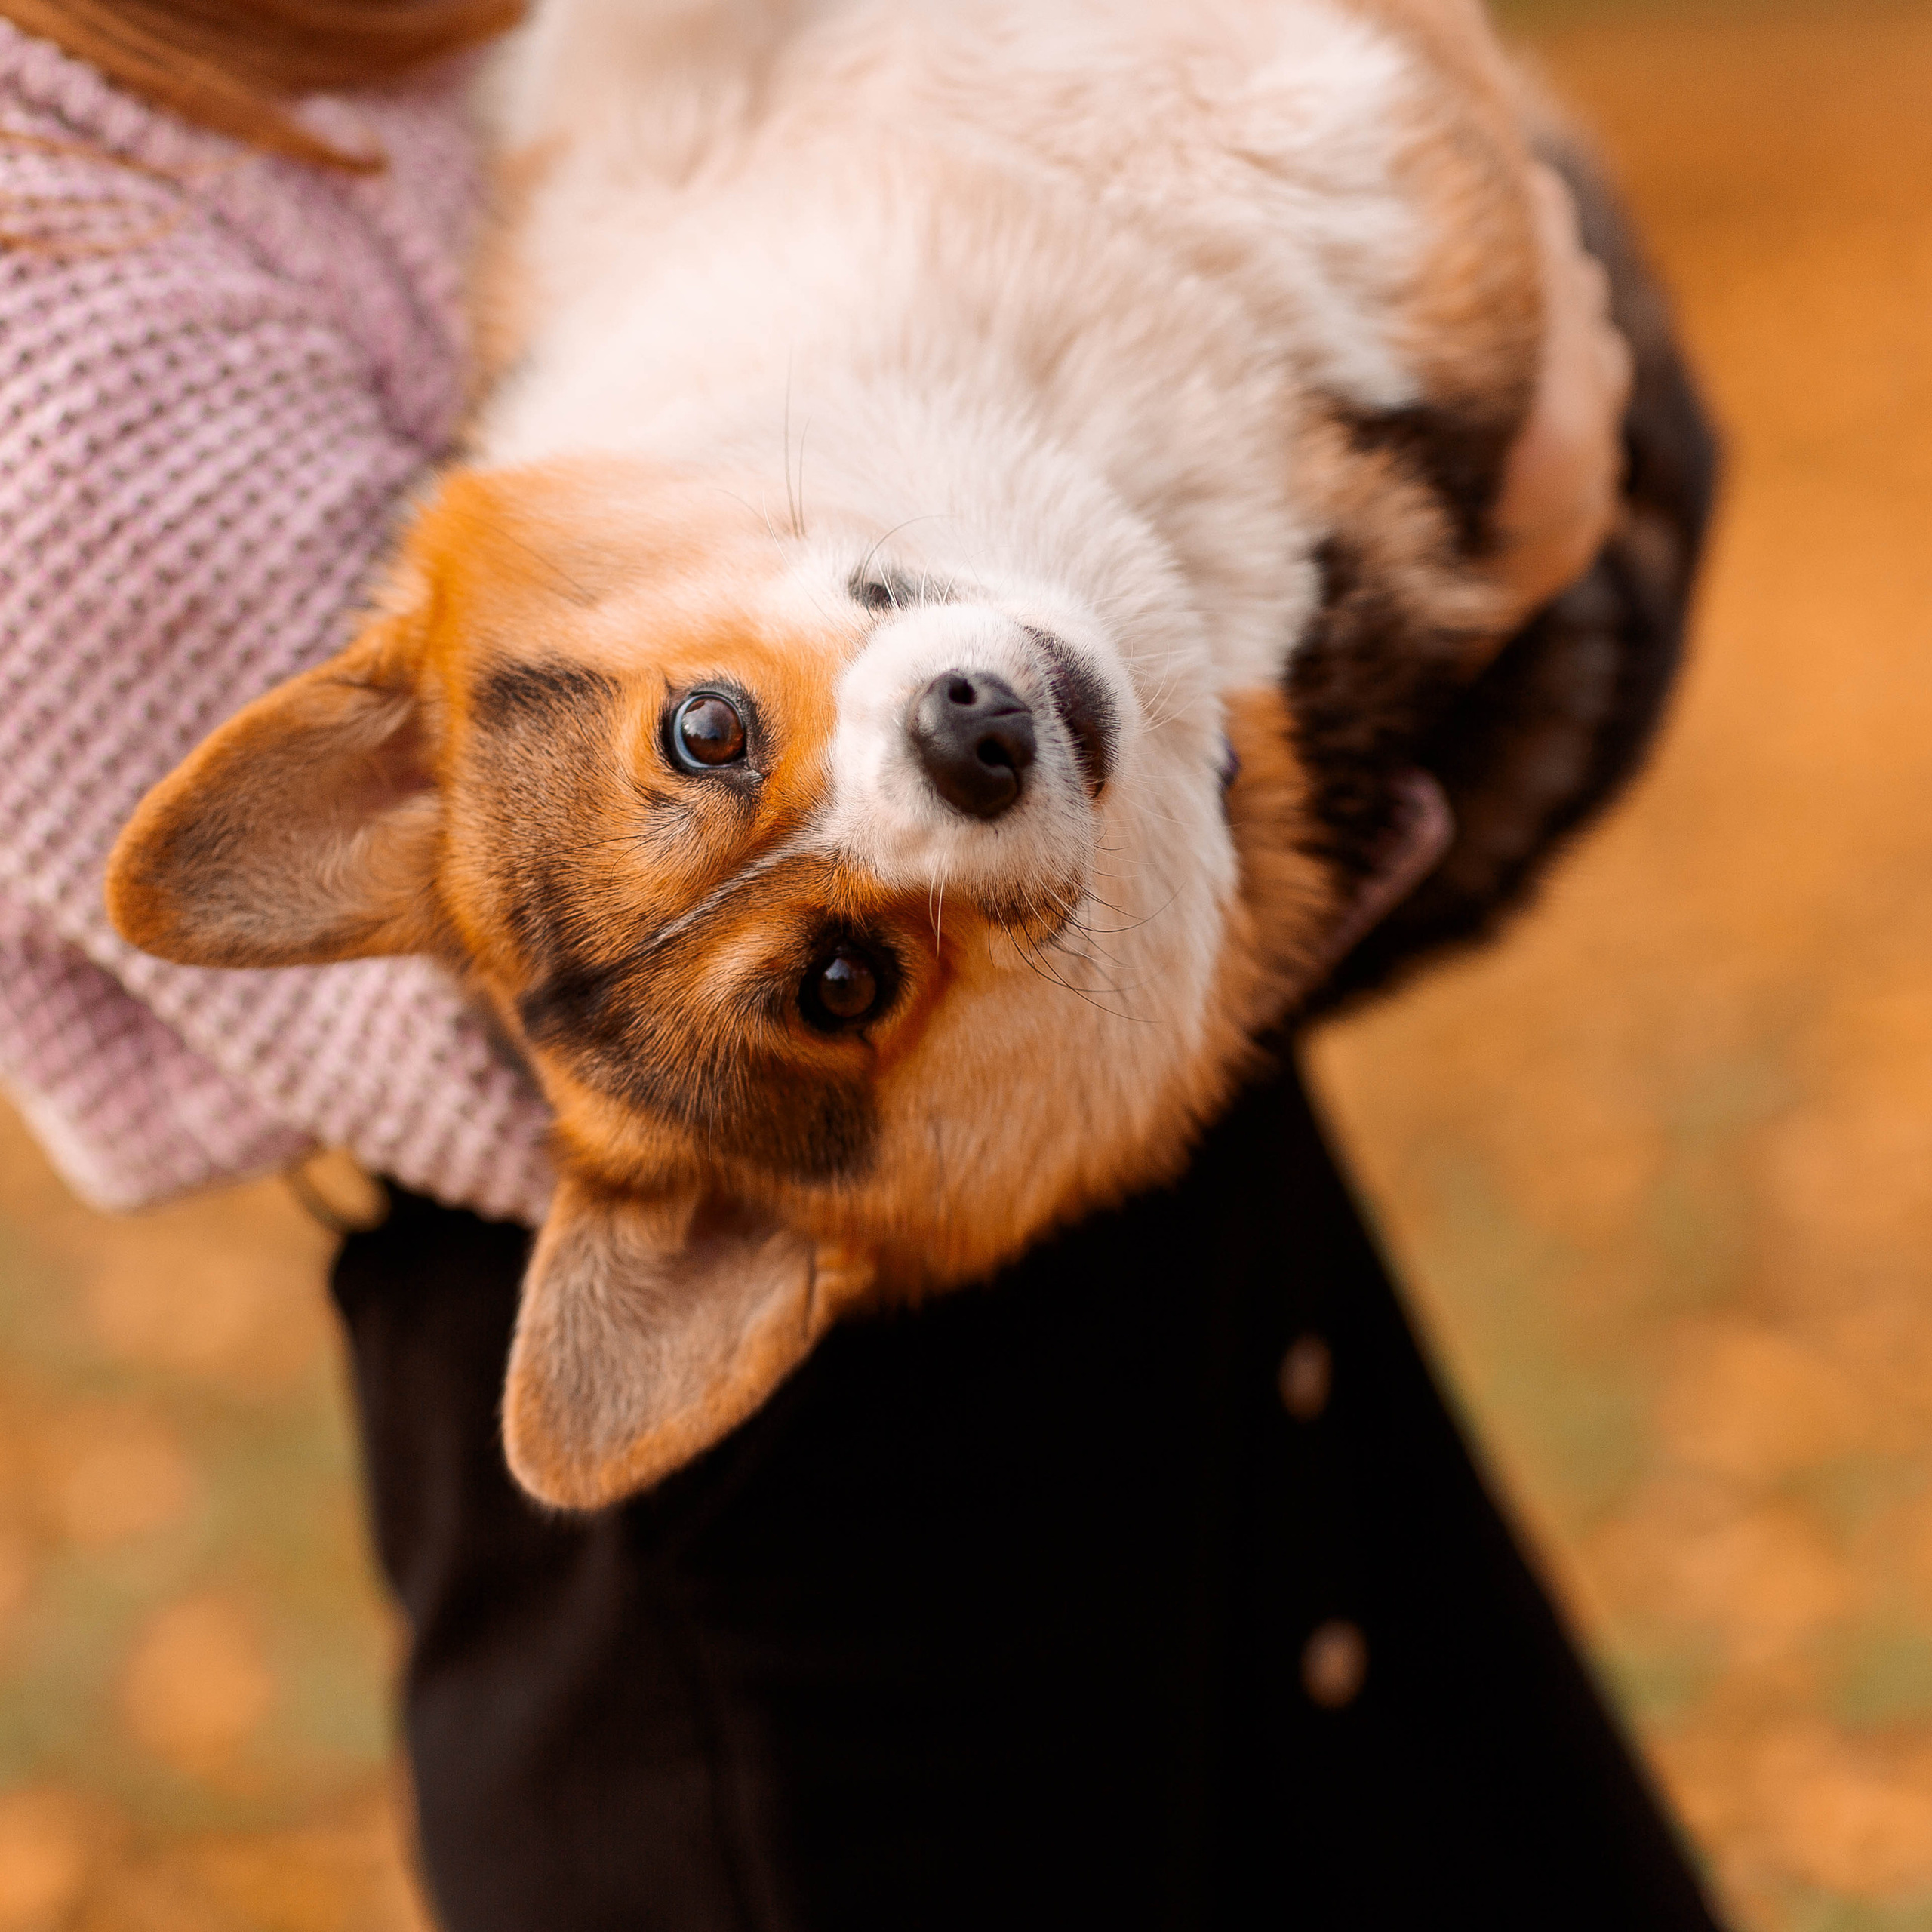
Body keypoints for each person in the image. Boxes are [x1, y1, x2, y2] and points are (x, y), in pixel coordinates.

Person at [0, 3, 1721, 1926]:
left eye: (718, 742)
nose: (931, 789)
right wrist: (1523, 526)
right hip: (794, 1572)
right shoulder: (54, 354)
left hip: (1146, 1277)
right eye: (829, 973)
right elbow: (493, 1066)